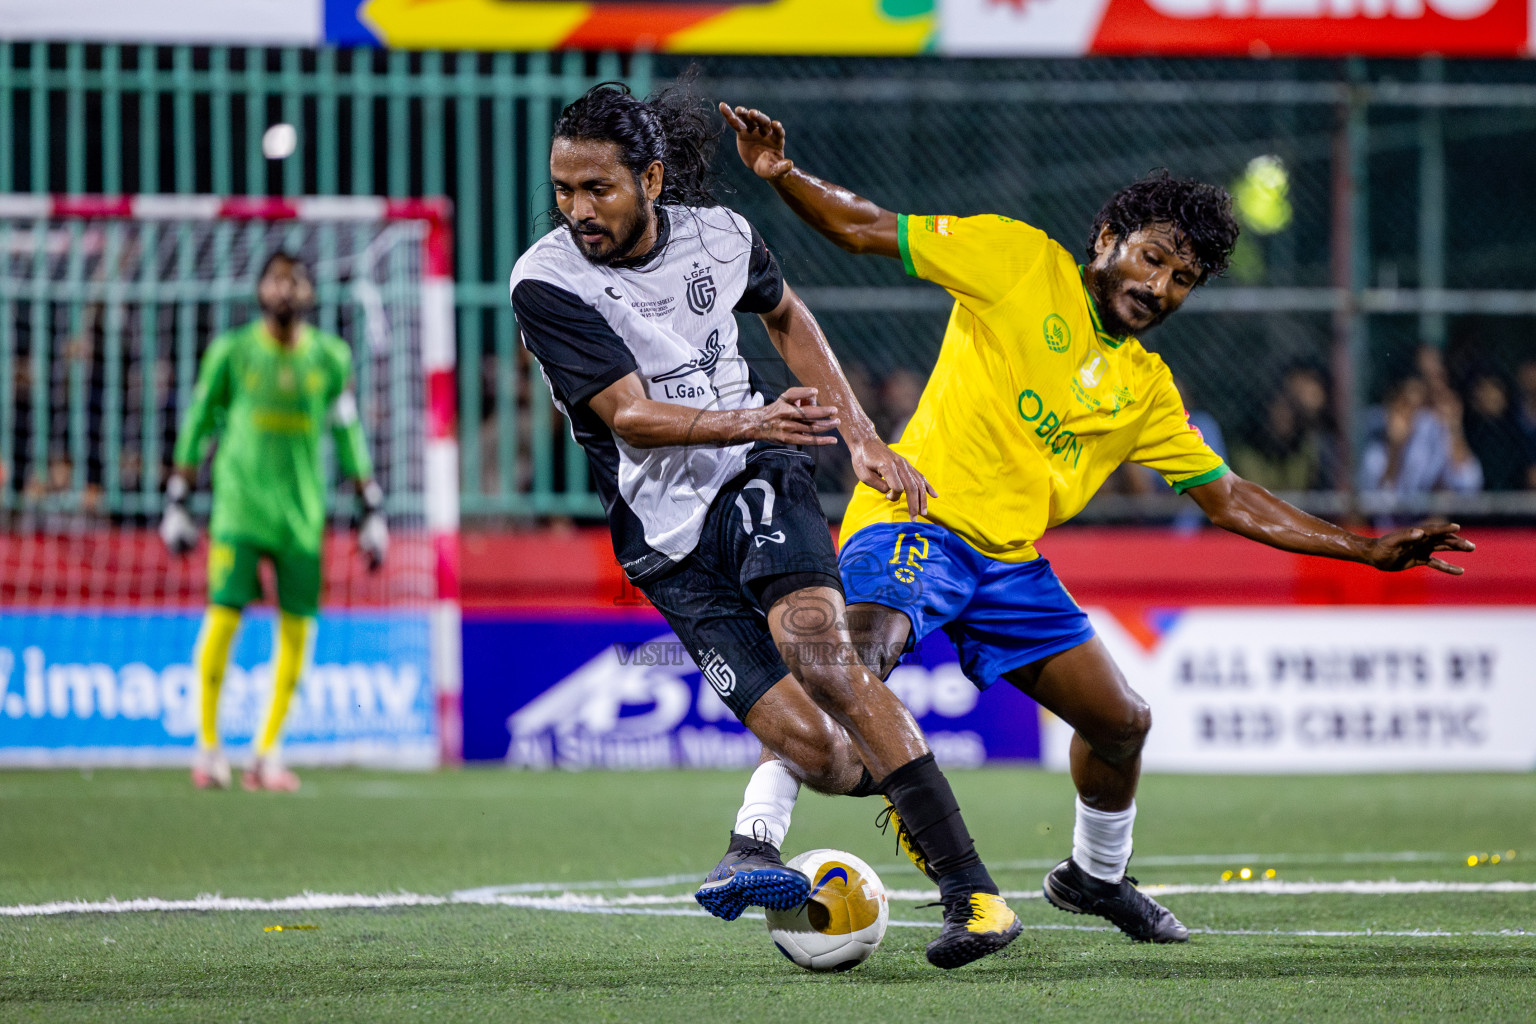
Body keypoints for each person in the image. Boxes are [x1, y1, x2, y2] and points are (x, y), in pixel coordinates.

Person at [718, 102, 1475, 944]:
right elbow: (866, 227)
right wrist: (783, 175)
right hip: (915, 521)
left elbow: (1227, 498)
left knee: (1123, 724)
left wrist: (1365, 549)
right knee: (855, 660)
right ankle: (756, 834)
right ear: (1108, 236)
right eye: (1152, 258)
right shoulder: (1016, 260)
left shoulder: (1145, 387)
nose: (1159, 287)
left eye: (1181, 280)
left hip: (1008, 563)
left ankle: (1094, 877)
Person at [509, 81, 1022, 969]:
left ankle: (973, 897)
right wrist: (754, 415)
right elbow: (628, 416)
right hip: (664, 539)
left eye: (598, 189)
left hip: (756, 471)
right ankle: (789, 817)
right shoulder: (546, 281)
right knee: (820, 752)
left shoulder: (722, 236)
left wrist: (858, 436)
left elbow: (786, 314)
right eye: (564, 189)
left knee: (821, 654)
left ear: (652, 179)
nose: (578, 210)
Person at [160, 252, 387, 793]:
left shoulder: (331, 358)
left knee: (298, 632)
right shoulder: (233, 353)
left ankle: (267, 754)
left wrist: (370, 507)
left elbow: (347, 433)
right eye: (275, 279)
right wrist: (176, 497)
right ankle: (209, 748)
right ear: (260, 289)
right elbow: (197, 424)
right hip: (238, 512)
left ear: (309, 293)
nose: (285, 289)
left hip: (302, 520)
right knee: (222, 619)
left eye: (295, 280)